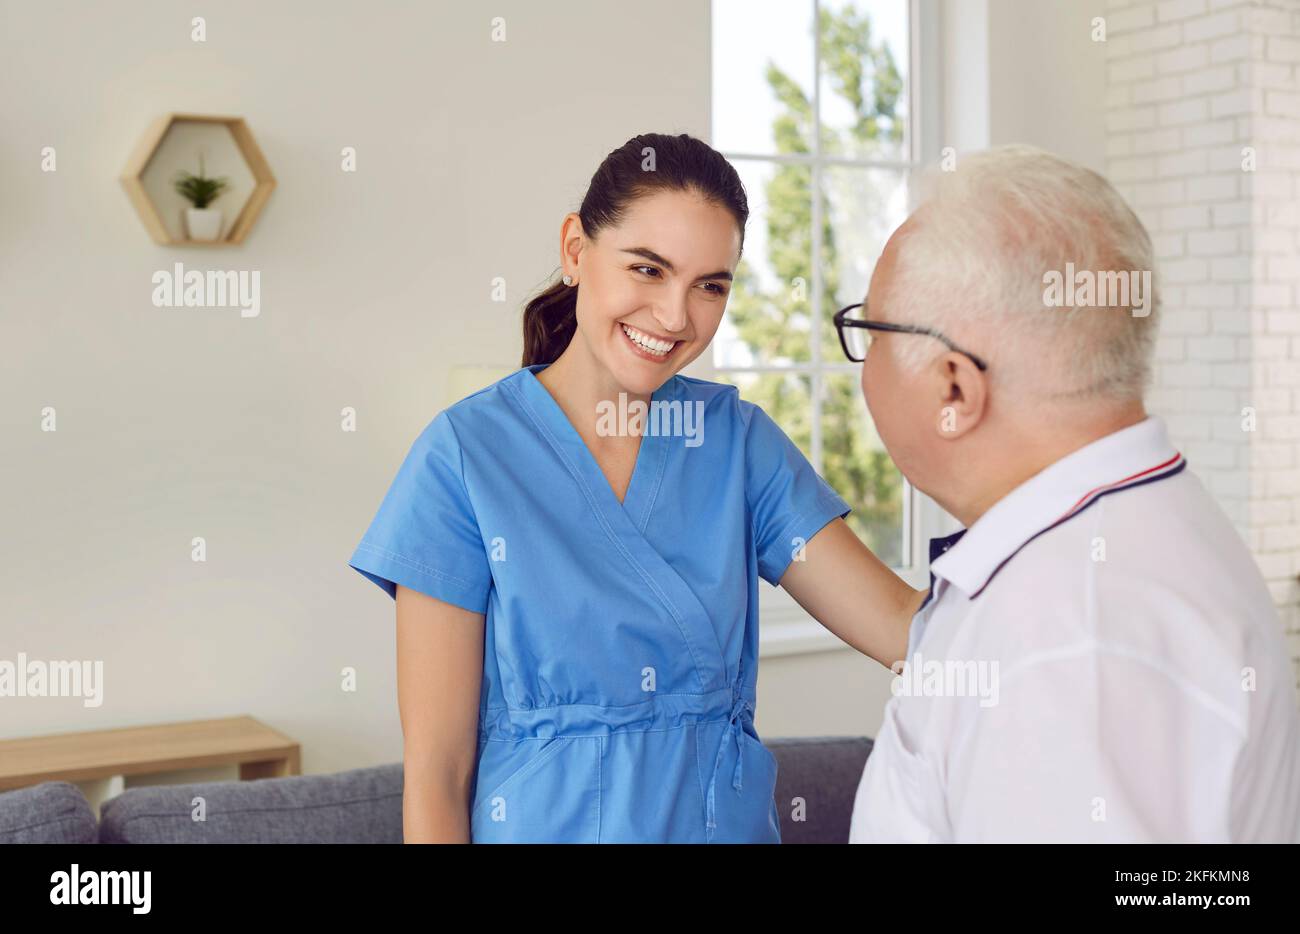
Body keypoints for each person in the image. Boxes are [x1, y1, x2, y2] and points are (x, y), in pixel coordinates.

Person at [348, 132, 922, 843]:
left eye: (710, 285)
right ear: (574, 250)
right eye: (648, 270)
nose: (678, 316)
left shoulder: (738, 446)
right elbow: (438, 772)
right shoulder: (465, 456)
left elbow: (903, 626)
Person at [841, 144, 1300, 843]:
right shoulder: (1117, 547)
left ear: (954, 388)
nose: (861, 365)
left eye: (868, 331)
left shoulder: (1063, 643)